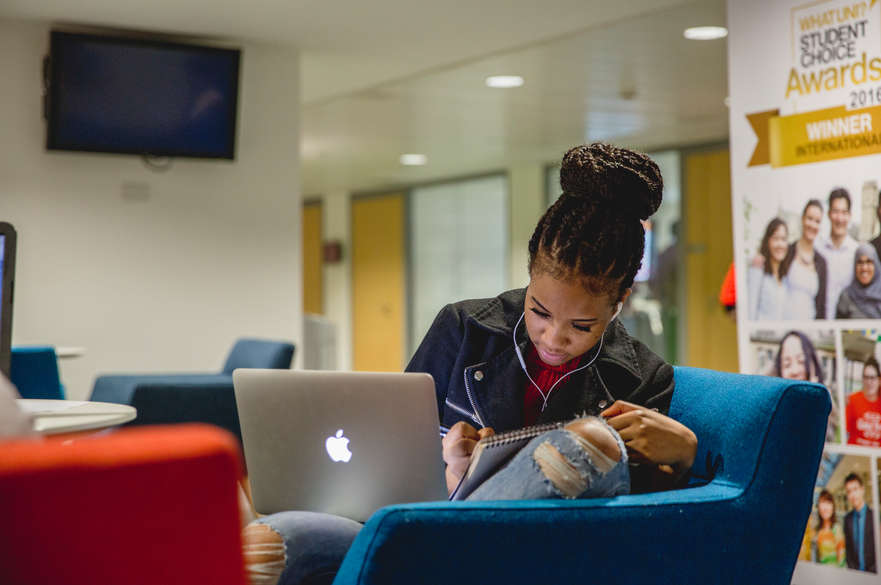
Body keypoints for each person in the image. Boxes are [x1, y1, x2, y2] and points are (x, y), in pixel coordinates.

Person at [241, 143, 699, 585]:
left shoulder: (643, 378)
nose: (553, 338)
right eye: (539, 311)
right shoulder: (464, 328)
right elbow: (391, 450)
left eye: (581, 326)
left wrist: (680, 458)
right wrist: (451, 469)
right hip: (414, 523)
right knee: (270, 543)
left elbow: (637, 523)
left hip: (526, 550)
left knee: (586, 448)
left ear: (620, 302)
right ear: (529, 277)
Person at [781, 200, 828, 320]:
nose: (812, 225)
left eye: (817, 221)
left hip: (810, 330)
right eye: (809, 218)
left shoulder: (822, 263)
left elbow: (821, 306)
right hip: (785, 325)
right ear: (802, 219)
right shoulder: (787, 252)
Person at [818, 188, 858, 319]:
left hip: (846, 328)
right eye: (835, 211)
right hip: (819, 326)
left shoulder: (856, 252)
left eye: (844, 212)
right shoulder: (818, 249)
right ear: (828, 213)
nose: (840, 218)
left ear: (850, 215)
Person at [747, 218, 788, 320]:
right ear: (767, 241)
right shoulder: (757, 271)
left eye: (783, 239)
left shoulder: (785, 278)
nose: (780, 244)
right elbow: (750, 313)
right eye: (775, 238)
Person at [836, 244, 881, 319]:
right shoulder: (846, 296)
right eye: (860, 262)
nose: (864, 268)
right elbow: (839, 328)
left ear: (876, 265)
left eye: (869, 262)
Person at [843, 473, 876, 572]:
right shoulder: (847, 519)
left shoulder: (874, 517)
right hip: (855, 575)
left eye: (855, 489)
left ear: (862, 489)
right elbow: (848, 550)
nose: (853, 495)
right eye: (849, 491)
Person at [846, 357, 881, 447]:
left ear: (879, 380)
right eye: (866, 377)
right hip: (856, 455)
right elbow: (844, 430)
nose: (869, 382)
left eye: (872, 378)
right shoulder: (853, 400)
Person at [813, 489, 845, 566]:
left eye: (828, 503)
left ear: (833, 507)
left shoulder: (837, 529)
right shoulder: (816, 531)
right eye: (822, 503)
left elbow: (842, 562)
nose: (825, 508)